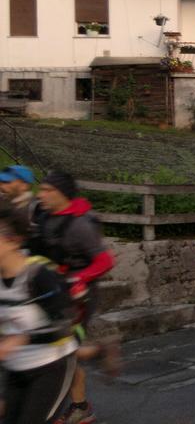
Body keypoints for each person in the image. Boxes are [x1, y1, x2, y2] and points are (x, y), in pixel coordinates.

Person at [31, 171, 117, 424]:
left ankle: (75, 406)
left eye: (47, 190)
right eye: (41, 189)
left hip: (80, 298)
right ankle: (94, 359)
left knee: (62, 352)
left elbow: (105, 260)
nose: (41, 194)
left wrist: (80, 278)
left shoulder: (80, 225)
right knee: (54, 348)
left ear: (62, 193)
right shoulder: (44, 216)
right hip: (52, 292)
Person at [0, 202, 78, 424]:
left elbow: (65, 325)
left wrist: (21, 339)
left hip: (51, 367)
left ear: (13, 240)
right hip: (16, 370)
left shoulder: (38, 275)